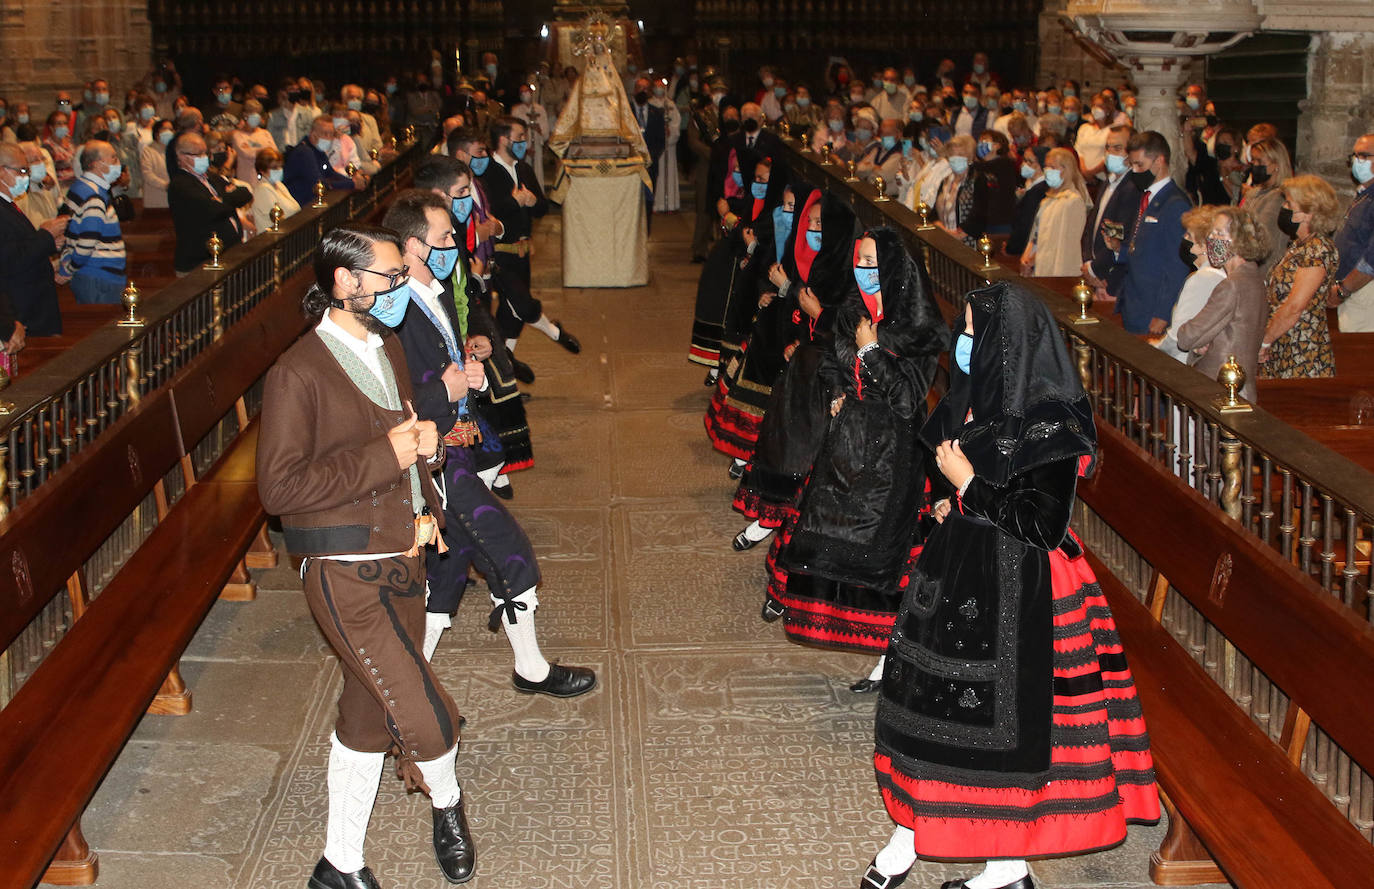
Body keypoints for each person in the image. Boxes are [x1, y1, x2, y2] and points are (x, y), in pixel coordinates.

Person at [865, 281, 1160, 889]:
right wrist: (952, 502)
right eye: (964, 329)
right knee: (929, 707)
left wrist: (969, 486)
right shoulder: (976, 394)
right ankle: (915, 831)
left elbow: (1044, 523)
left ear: (1009, 342)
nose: (964, 342)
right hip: (960, 570)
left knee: (1001, 730)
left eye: (975, 331)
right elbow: (954, 471)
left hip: (1023, 587)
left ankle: (1004, 866)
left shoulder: (1048, 414)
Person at [255, 223, 475, 889]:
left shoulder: (385, 347)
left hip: (403, 552)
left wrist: (426, 467)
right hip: (342, 570)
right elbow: (280, 487)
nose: (398, 289)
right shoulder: (297, 372)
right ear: (344, 282)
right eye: (389, 278)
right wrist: (391, 453)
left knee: (366, 709)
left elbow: (404, 441)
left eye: (400, 277)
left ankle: (339, 862)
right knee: (426, 713)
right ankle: (449, 805)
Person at [382, 189, 597, 696]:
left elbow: (437, 361)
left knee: (451, 562)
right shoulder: (397, 311)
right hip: (428, 459)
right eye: (445, 237)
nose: (455, 242)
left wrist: (465, 369)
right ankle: (531, 669)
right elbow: (392, 396)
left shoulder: (427, 293)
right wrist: (449, 388)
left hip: (452, 442)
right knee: (507, 547)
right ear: (414, 246)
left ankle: (410, 682)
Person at [774, 227, 944, 669]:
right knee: (826, 529)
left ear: (893, 267)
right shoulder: (852, 309)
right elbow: (832, 359)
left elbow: (908, 401)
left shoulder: (919, 327)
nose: (864, 270)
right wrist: (835, 392)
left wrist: (871, 354)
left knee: (882, 543)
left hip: (893, 448)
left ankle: (890, 654)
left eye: (871, 262)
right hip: (847, 438)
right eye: (859, 262)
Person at [1176, 206, 1270, 401]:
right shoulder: (1256, 279)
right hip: (1244, 387)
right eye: (1212, 232)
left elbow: (1187, 337)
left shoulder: (1231, 285)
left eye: (1219, 233)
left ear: (1239, 241)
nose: (1211, 239)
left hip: (1221, 389)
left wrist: (1197, 343)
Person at [1111, 131, 1192, 335]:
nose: (1135, 172)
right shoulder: (1147, 196)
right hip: (1135, 303)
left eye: (1140, 165)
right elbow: (1143, 248)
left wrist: (1163, 313)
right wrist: (1118, 250)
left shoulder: (1175, 204)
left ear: (1159, 161)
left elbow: (1177, 264)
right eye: (1132, 165)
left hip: (1152, 308)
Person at [1259, 175, 1340, 379]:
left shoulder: (1317, 249)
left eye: (1289, 203)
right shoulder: (1299, 245)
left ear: (1308, 213)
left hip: (1302, 350)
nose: (1284, 207)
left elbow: (1295, 305)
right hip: (1284, 342)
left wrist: (1266, 339)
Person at [0, 142, 67, 336]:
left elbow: (21, 246)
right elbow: (9, 259)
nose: (26, 176)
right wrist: (45, 235)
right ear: (2, 171)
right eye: (22, 170)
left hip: (33, 308)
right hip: (21, 311)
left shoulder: (9, 205)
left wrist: (49, 243)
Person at [167, 131, 252, 274]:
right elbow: (211, 209)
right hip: (199, 262)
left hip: (228, 254)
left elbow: (244, 194)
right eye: (198, 154)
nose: (204, 158)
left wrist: (222, 199)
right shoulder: (180, 184)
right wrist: (225, 198)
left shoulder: (212, 178)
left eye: (205, 153)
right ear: (181, 156)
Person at [58, 141, 127, 304]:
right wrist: (69, 269)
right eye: (113, 158)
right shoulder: (93, 195)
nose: (118, 163)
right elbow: (88, 239)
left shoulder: (81, 187)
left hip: (96, 276)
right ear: (97, 164)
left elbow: (69, 231)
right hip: (98, 278)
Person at [1156, 206, 1225, 363]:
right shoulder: (1218, 272)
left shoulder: (1203, 279)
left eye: (1189, 235)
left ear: (1203, 245)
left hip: (1185, 363)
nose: (1184, 239)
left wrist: (1155, 351)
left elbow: (1179, 336)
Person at [1021, 147, 1090, 277]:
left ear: (1066, 170)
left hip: (1059, 269)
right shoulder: (1047, 200)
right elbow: (1037, 234)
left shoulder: (1073, 201)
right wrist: (1027, 256)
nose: (1047, 171)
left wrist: (1035, 258)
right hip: (1041, 265)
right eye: (1046, 167)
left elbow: (1067, 243)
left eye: (1052, 167)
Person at [1333, 133, 1374, 332]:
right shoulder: (1364, 195)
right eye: (1355, 156)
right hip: (1353, 289)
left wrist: (1344, 289)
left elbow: (1372, 259)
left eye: (1365, 156)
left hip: (1364, 290)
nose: (1358, 162)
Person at [1240, 138, 1292, 283]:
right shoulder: (1256, 192)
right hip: (1248, 264)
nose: (1255, 166)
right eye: (1253, 161)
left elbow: (1260, 233)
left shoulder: (1280, 197)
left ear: (1276, 165)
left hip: (1265, 271)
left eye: (1260, 162)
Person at [283, 116, 358, 207]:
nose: (329, 138)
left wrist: (353, 180)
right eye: (325, 134)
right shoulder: (304, 152)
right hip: (301, 206)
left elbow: (330, 173)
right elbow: (320, 184)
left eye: (331, 134)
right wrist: (352, 183)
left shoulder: (318, 150)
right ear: (313, 134)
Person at [1005, 145, 1049, 260]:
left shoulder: (1038, 191)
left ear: (1041, 165)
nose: (1024, 165)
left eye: (1029, 161)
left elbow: (1026, 224)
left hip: (1027, 249)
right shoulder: (1031, 186)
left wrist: (1011, 248)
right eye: (1024, 160)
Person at [249, 146, 299, 234]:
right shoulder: (262, 189)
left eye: (280, 167)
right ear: (262, 170)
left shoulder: (278, 185)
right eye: (274, 168)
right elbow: (285, 215)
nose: (279, 170)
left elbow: (296, 208)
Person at [651, 79, 682, 213]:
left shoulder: (670, 104)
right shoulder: (650, 104)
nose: (659, 89)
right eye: (656, 86)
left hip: (669, 146)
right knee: (657, 174)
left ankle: (670, 204)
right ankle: (657, 205)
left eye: (661, 86)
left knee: (669, 173)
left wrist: (670, 132)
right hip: (655, 146)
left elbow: (676, 122)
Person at [230, 99, 276, 182]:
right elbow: (247, 153)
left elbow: (274, 153)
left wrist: (254, 149)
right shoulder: (237, 135)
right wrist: (265, 150)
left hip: (266, 177)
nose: (256, 115)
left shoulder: (265, 133)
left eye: (258, 113)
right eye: (252, 112)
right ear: (245, 115)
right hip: (247, 178)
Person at [140, 118, 175, 210]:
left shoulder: (175, 151)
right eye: (164, 129)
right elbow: (147, 174)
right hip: (155, 202)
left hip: (173, 201)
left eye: (171, 129)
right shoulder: (148, 151)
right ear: (156, 133)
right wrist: (166, 185)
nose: (168, 132)